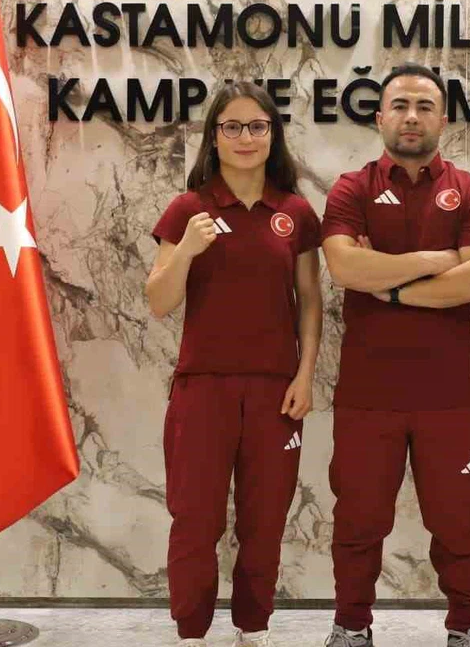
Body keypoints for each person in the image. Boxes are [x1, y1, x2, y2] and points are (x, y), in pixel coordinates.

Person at [319, 63, 470, 647]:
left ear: (443, 120)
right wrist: (435, 261)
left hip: (448, 398)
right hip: (366, 396)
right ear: (379, 118)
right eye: (399, 105)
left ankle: (466, 628)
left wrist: (390, 285)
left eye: (424, 106)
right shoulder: (351, 189)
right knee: (357, 521)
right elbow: (345, 266)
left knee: (459, 522)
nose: (411, 116)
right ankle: (351, 628)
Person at [146, 81, 324, 647]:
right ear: (214, 137)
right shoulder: (188, 209)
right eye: (232, 127)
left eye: (257, 126)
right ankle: (191, 632)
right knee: (195, 520)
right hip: (203, 389)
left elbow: (310, 300)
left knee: (264, 521)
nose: (245, 138)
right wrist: (187, 250)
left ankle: (254, 626)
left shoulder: (295, 212)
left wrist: (305, 374)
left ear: (273, 135)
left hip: (275, 392)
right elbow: (158, 300)